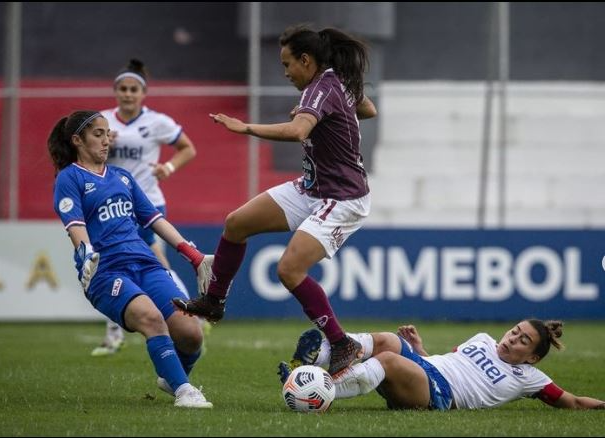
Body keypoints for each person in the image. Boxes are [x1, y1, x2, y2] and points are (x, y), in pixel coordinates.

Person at [172, 24, 377, 377]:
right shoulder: (332, 84)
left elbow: (299, 131)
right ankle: (215, 300)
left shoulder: (321, 87)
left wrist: (247, 127)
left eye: (288, 65)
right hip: (313, 187)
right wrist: (328, 114)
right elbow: (368, 109)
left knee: (288, 270)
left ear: (306, 60)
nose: (285, 73)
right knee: (237, 223)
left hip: (342, 197)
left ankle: (342, 343)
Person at [49, 110, 213, 408]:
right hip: (105, 271)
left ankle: (170, 376)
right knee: (151, 318)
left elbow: (154, 220)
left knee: (192, 334)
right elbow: (75, 226)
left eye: (107, 133)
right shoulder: (69, 178)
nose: (106, 140)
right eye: (98, 134)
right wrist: (86, 254)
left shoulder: (122, 177)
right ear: (77, 140)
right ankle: (184, 390)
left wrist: (192, 254)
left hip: (144, 263)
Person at [91, 58, 207, 357]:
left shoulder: (157, 122)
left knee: (153, 262)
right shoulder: (102, 122)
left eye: (133, 89)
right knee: (117, 264)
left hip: (148, 204)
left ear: (143, 93)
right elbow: (88, 162)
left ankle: (188, 312)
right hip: (112, 205)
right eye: (123, 89)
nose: (128, 94)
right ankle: (189, 312)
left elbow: (188, 148)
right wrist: (103, 144)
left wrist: (168, 167)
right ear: (115, 92)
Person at [279, 320, 605, 411]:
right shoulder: (481, 339)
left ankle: (323, 392)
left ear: (533, 357)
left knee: (389, 360)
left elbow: (572, 402)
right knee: (390, 342)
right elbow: (452, 362)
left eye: (523, 341)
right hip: (428, 371)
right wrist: (419, 350)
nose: (512, 338)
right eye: (515, 331)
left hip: (439, 395)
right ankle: (321, 355)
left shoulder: (531, 378)